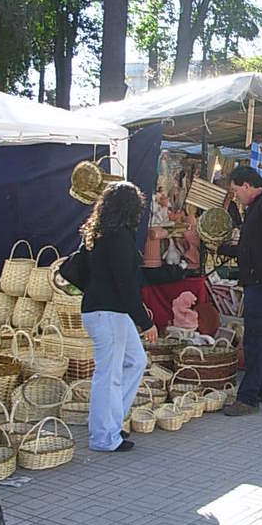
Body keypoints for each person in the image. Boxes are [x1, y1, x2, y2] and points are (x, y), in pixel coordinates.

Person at [80, 182, 158, 452]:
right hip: (109, 312)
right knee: (109, 374)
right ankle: (104, 436)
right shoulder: (119, 237)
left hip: (102, 310)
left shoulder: (97, 233)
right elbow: (126, 285)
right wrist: (145, 322)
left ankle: (109, 423)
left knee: (135, 361)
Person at [218, 166, 262, 416]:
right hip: (257, 280)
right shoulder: (257, 206)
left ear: (247, 186)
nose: (236, 196)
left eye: (236, 190)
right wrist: (219, 247)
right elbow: (249, 248)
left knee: (255, 339)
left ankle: (248, 398)